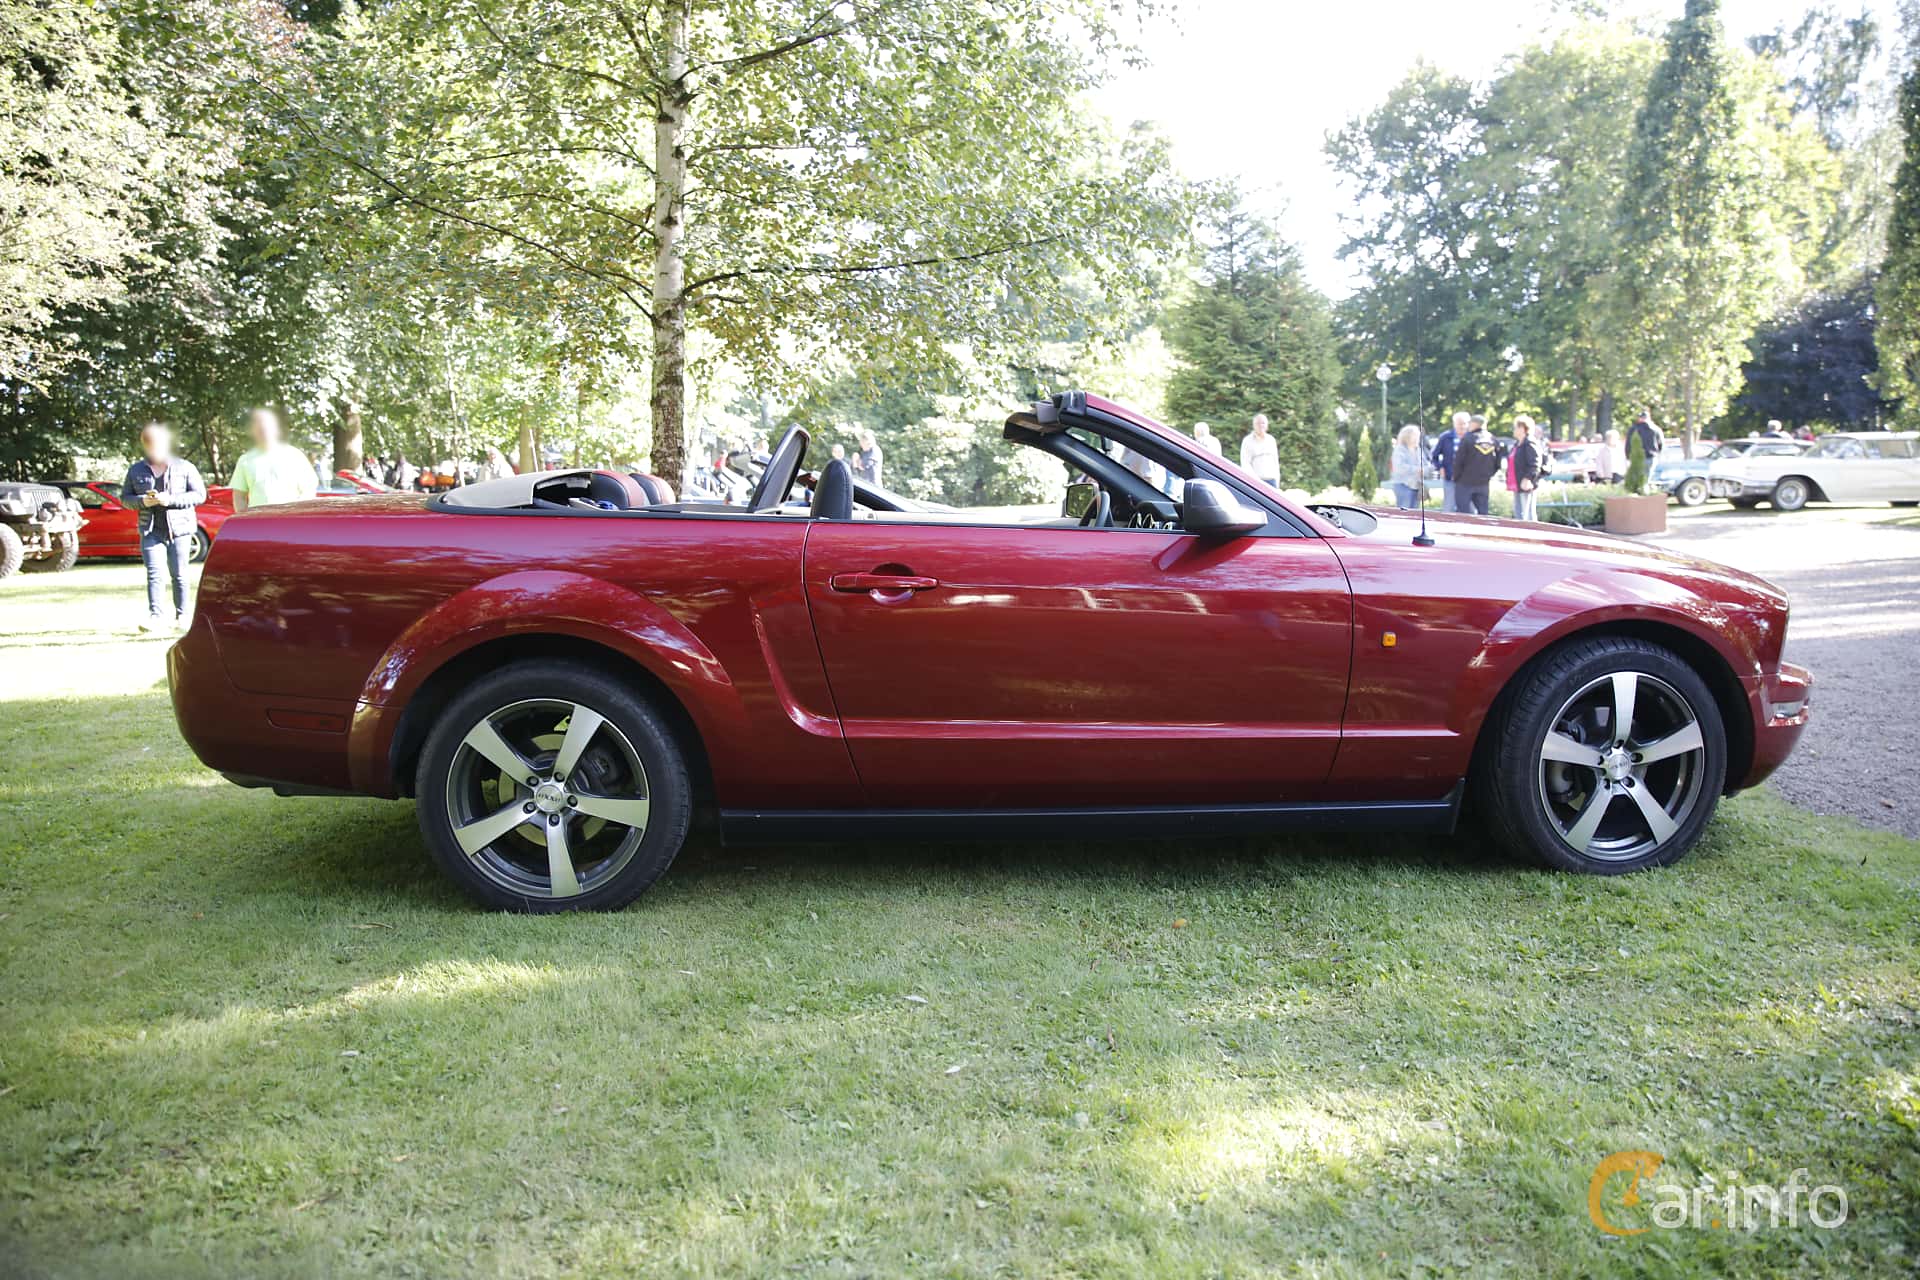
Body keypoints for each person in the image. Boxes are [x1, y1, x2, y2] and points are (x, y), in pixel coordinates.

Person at [120, 423, 207, 633]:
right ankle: (156, 617)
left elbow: (199, 495)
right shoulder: (136, 470)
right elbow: (124, 499)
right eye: (149, 445)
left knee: (179, 574)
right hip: (150, 530)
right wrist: (142, 501)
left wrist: (171, 500)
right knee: (154, 573)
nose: (154, 449)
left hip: (180, 529)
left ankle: (183, 616)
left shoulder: (185, 467)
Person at [228, 408, 318, 511]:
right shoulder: (245, 460)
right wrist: (244, 521)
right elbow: (239, 497)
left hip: (291, 522)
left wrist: (296, 515)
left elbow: (309, 491)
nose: (263, 429)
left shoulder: (295, 456)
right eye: (259, 427)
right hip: (258, 523)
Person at [1451, 416, 1501, 515]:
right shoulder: (1493, 440)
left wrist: (1456, 477)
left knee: (1463, 514)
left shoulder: (1468, 438)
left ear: (1474, 424)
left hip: (1464, 482)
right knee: (1483, 514)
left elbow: (1459, 461)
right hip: (1483, 483)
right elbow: (1497, 463)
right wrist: (1488, 475)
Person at [1432, 412, 1469, 512]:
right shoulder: (1445, 437)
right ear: (1454, 424)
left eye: (1464, 423)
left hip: (1468, 480)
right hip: (1450, 477)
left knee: (1469, 509)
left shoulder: (1471, 437)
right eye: (1459, 423)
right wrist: (1440, 467)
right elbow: (1434, 456)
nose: (1462, 426)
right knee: (1449, 506)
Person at [1508, 416, 1544, 521]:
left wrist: (1528, 478)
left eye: (1516, 427)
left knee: (1527, 514)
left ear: (1523, 428)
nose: (1514, 430)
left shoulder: (1529, 443)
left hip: (1526, 483)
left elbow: (1535, 464)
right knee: (1519, 513)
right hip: (1517, 483)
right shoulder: (1518, 444)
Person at [1239, 413, 1280, 488]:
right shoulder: (1247, 441)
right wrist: (1255, 481)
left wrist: (1277, 481)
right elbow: (1245, 463)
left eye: (1263, 423)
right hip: (1256, 482)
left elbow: (1275, 462)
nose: (1261, 425)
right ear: (1253, 425)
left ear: (1267, 425)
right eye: (1258, 423)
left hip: (1272, 481)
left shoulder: (1271, 440)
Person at [1389, 424, 1424, 510]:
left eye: (1418, 436)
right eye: (1414, 435)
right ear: (1407, 436)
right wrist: (1417, 470)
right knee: (1404, 512)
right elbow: (1399, 468)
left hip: (1416, 485)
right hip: (1403, 485)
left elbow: (1425, 464)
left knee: (1415, 512)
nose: (1417, 438)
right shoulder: (1399, 449)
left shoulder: (1418, 449)